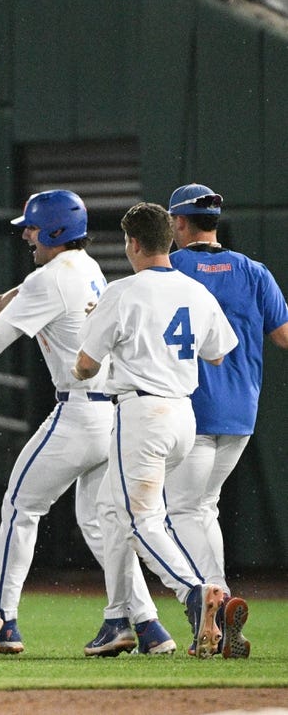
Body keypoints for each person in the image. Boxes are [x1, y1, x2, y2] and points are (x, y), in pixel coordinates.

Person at [0, 190, 165, 656]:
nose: (26, 233)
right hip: (115, 413)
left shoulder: (50, 278)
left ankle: (2, 622)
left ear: (57, 230)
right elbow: (3, 305)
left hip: (80, 410)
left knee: (20, 508)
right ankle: (145, 625)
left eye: (34, 226)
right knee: (101, 525)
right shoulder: (86, 268)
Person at [74, 201, 238, 660]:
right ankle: (117, 621)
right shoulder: (196, 290)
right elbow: (220, 354)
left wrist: (100, 329)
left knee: (140, 519)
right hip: (184, 417)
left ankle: (194, 592)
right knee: (112, 512)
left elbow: (85, 368)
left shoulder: (122, 292)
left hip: (142, 415)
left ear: (132, 243)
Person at [164, 183, 288, 658]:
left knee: (169, 515)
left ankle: (208, 599)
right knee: (202, 507)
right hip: (241, 413)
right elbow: (283, 337)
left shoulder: (170, 268)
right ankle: (214, 600)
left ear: (178, 222)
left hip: (188, 410)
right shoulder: (254, 271)